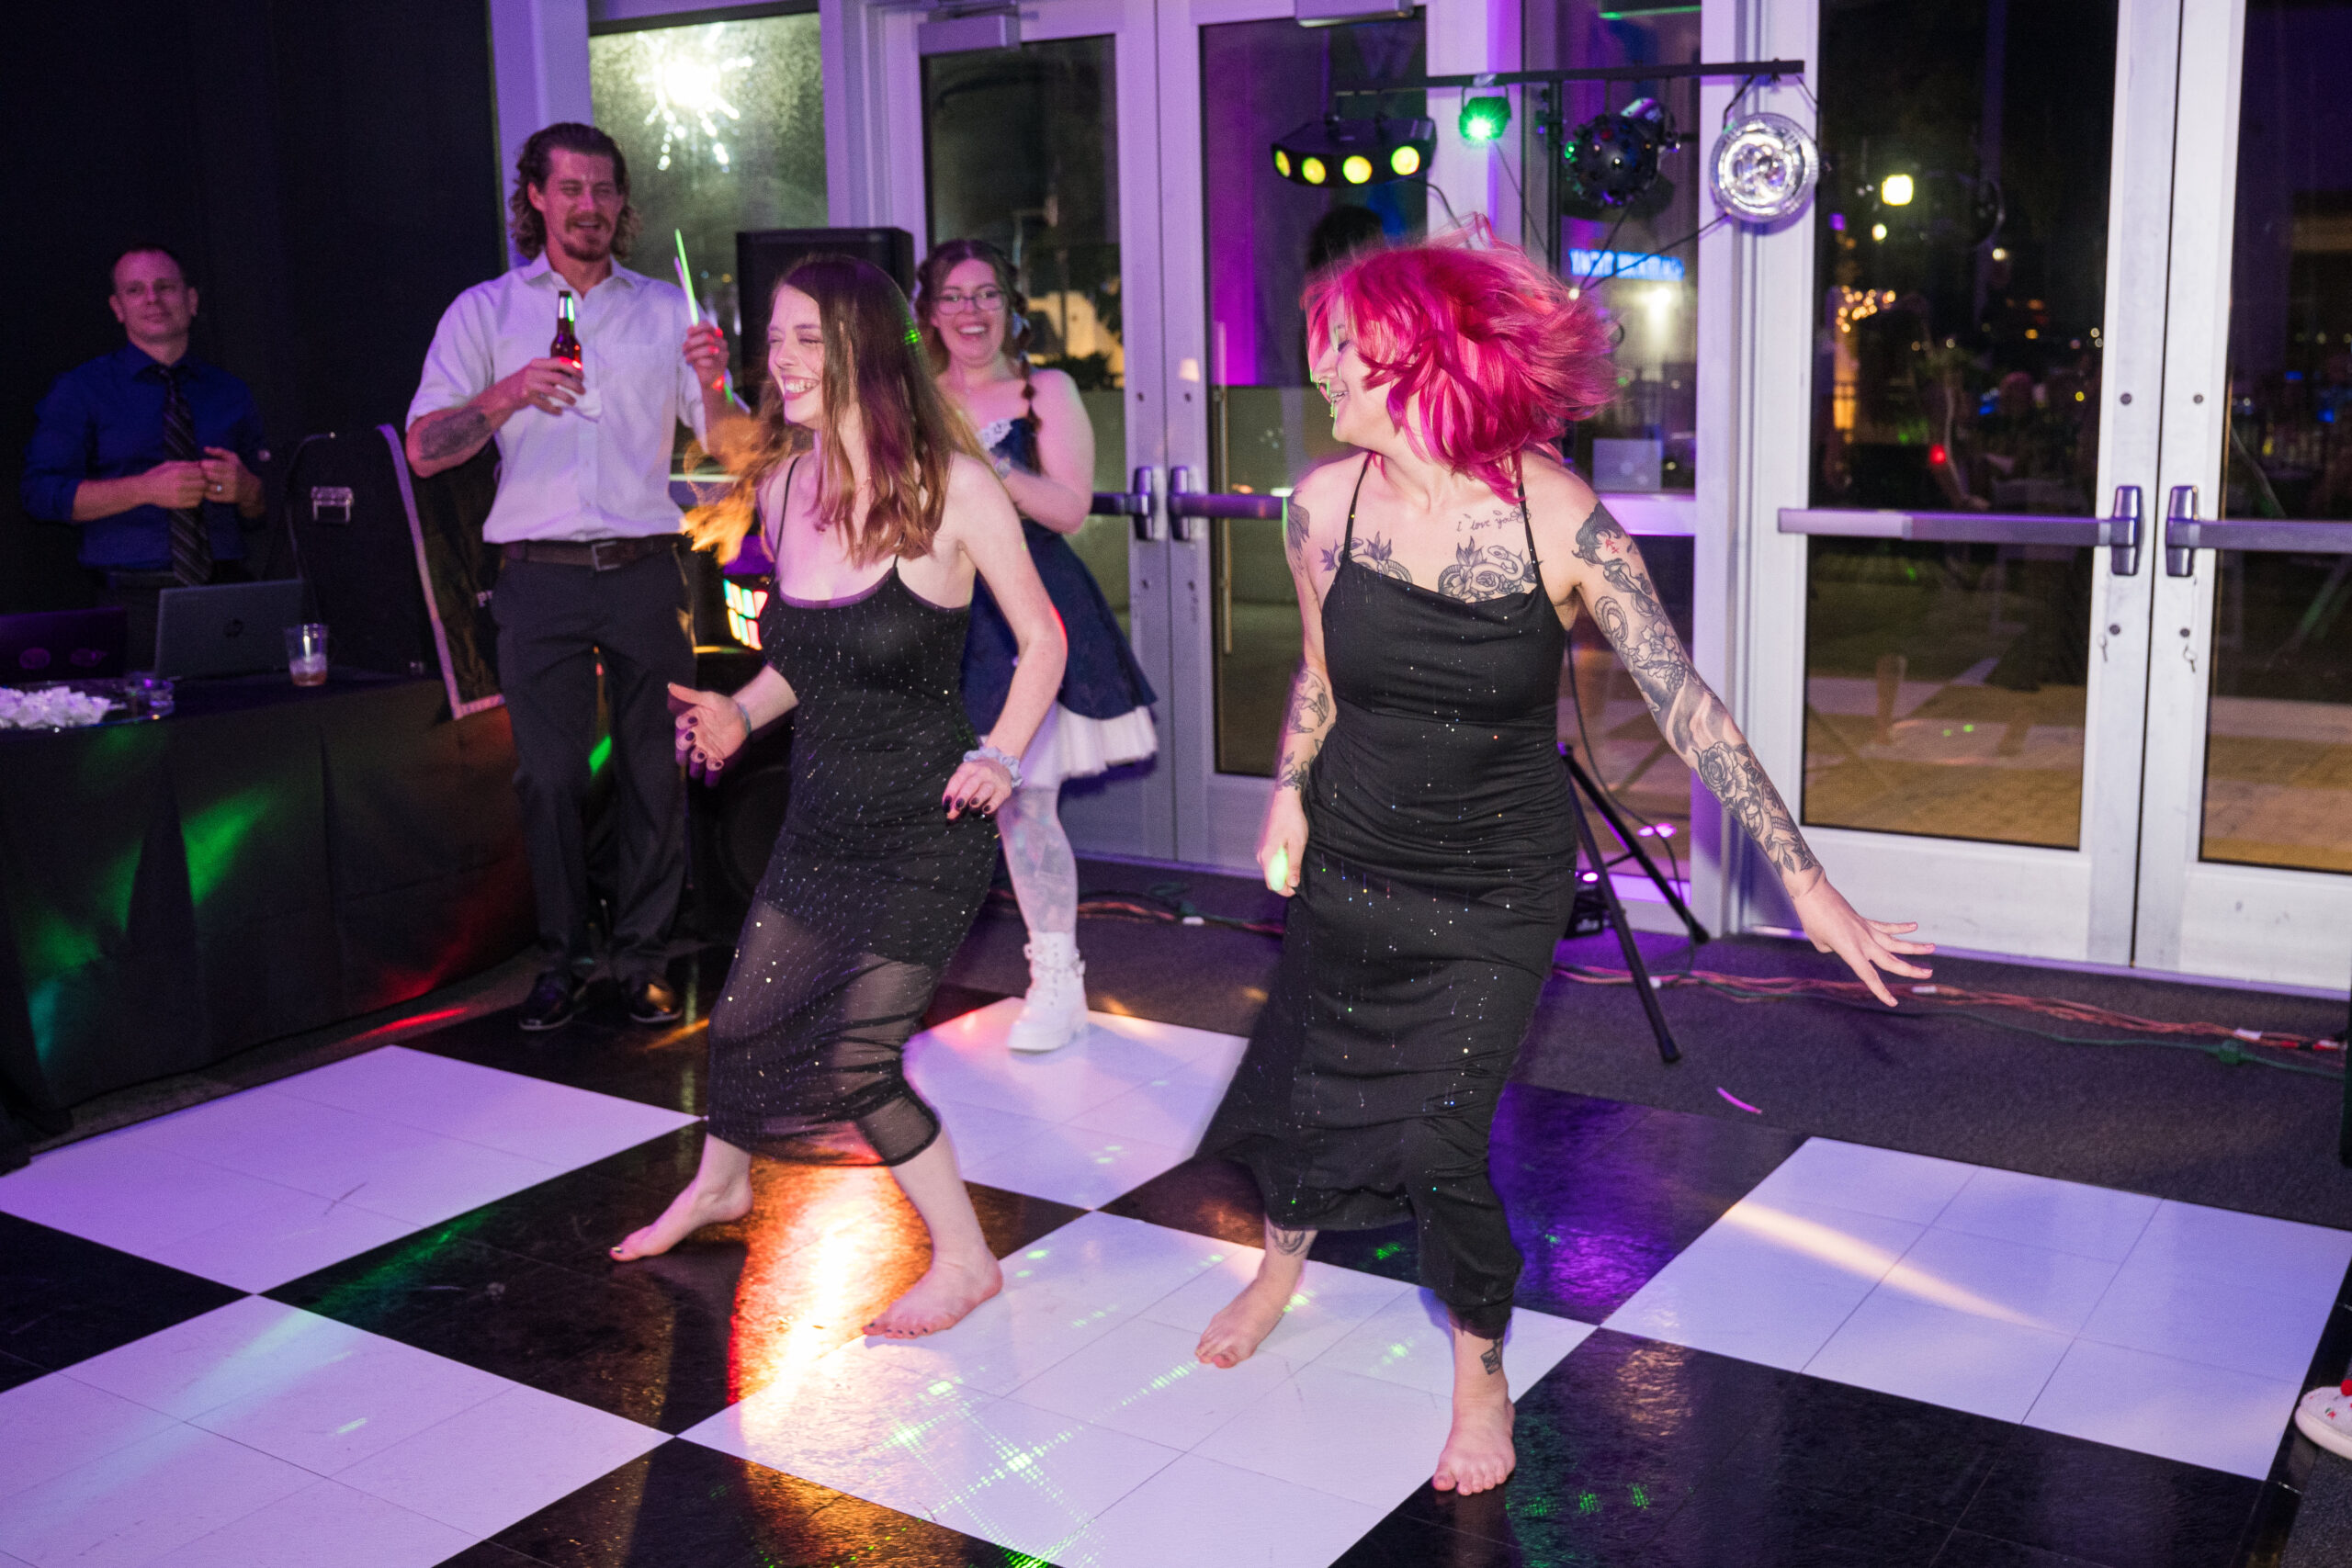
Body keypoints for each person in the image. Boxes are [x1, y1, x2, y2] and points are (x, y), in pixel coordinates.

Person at [1194, 236, 1933, 1494]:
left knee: (1438, 1133)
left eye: (1345, 350)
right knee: (1313, 1084)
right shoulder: (1322, 503)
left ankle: (1480, 1367)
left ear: (1421, 358)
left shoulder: (1559, 516)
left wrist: (1802, 878)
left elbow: (1687, 700)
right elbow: (1320, 672)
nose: (1319, 371)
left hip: (1496, 880)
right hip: (1355, 852)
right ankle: (1280, 1260)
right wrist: (1286, 800)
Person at [608, 254, 1066, 1337]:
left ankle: (964, 1261)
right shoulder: (781, 487)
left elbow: (1042, 639)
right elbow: (807, 657)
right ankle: (723, 1184)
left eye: (807, 337)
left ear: (863, 345)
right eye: (775, 337)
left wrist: (1000, 753)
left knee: (859, 1059)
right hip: (822, 813)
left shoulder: (952, 487)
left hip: (928, 820)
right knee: (745, 1021)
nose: (782, 357)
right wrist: (738, 715)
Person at [404, 123, 734, 1032]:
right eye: (571, 189)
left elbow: (728, 447)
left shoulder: (665, 309)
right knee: (547, 780)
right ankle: (562, 959)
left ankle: (643, 959)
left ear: (623, 204)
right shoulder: (484, 312)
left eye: (605, 190)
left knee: (652, 777)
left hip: (642, 571)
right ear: (537, 199)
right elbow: (427, 453)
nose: (590, 206)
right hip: (538, 579)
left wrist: (716, 385)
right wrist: (507, 391)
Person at [914, 240, 1158, 1055]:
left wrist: (990, 468)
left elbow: (1070, 508)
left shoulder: (1042, 389)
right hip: (945, 608)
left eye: (986, 295)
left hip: (1029, 607)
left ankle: (1056, 981)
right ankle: (895, 972)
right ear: (930, 310)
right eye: (953, 296)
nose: (971, 312)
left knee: (1025, 801)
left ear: (1010, 307)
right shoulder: (912, 395)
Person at [21, 244, 266, 668]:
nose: (152, 299)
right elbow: (41, 495)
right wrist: (145, 489)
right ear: (118, 308)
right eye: (136, 290)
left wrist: (247, 490)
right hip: (131, 603)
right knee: (147, 733)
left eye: (165, 287)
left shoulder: (230, 392)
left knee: (241, 727)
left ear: (191, 300)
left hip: (227, 597)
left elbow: (268, 506)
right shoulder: (82, 390)